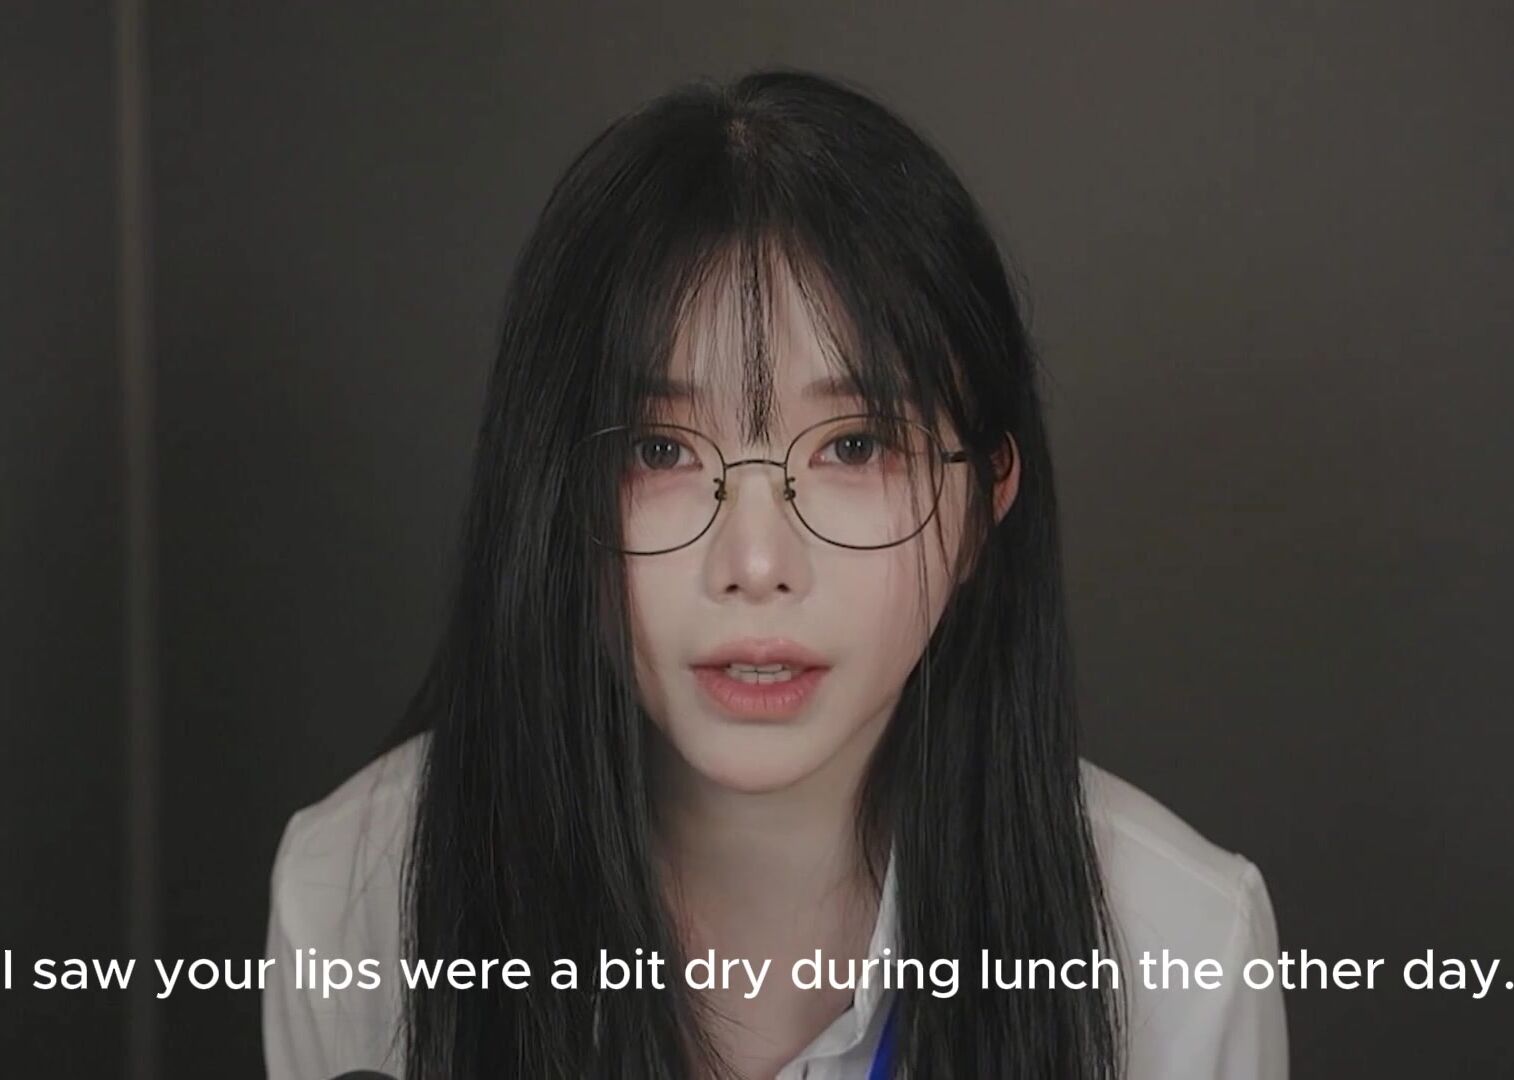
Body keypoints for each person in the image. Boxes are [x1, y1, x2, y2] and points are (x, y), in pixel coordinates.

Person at [261, 68, 1288, 1079]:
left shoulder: (1180, 954)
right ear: (548, 495)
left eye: (853, 446)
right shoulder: (355, 897)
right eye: (660, 450)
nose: (755, 565)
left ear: (984, 502)